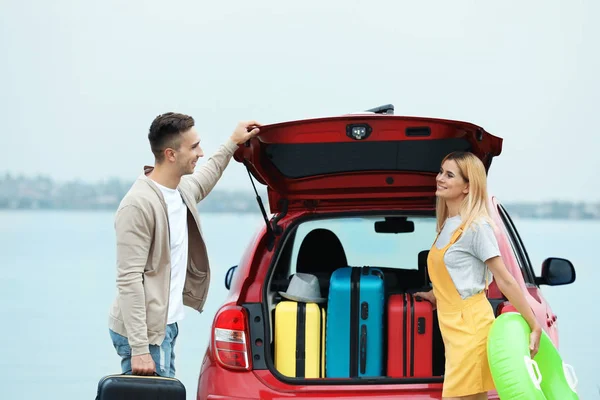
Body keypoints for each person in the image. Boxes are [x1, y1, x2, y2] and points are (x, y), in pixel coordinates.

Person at [107, 112, 260, 377]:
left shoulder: (181, 191)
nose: (201, 153)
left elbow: (208, 174)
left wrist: (233, 142)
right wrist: (140, 348)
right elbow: (129, 279)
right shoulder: (138, 205)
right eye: (193, 147)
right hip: (144, 334)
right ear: (170, 154)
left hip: (165, 326)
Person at [414, 151, 542, 400]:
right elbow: (458, 275)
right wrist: (433, 295)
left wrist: (534, 324)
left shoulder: (476, 227)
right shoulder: (447, 225)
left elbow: (504, 279)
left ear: (467, 186)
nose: (440, 178)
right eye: (441, 171)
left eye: (450, 175)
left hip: (470, 329)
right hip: (452, 328)